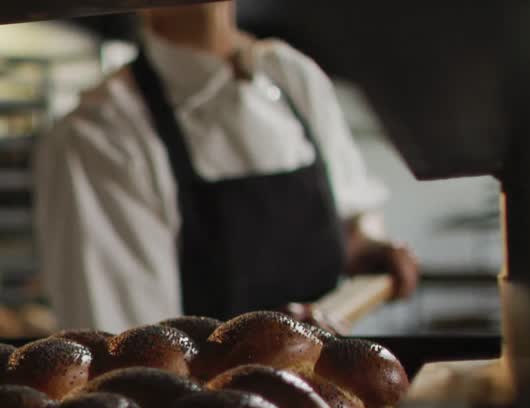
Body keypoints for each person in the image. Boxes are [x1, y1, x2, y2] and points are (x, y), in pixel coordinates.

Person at [34, 2, 419, 332]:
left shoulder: (293, 77)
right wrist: (270, 346)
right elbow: (132, 363)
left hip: (331, 405)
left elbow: (352, 221)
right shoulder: (101, 135)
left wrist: (366, 246)